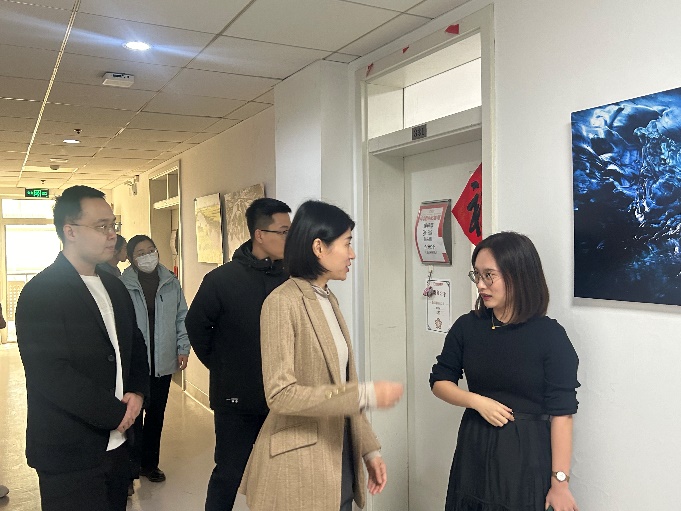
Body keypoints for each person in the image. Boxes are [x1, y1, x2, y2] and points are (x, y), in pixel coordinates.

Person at [240, 200, 404, 511]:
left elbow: (341, 382)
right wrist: (364, 394)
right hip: (297, 465)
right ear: (319, 247)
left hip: (338, 453)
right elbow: (280, 395)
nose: (352, 254)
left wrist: (369, 450)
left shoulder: (328, 299)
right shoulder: (282, 303)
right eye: (347, 243)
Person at [15, 185, 149, 511]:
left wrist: (137, 392)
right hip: (69, 453)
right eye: (101, 226)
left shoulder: (114, 287)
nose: (112, 235)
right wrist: (116, 414)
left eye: (113, 225)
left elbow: (135, 345)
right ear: (70, 231)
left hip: (118, 447)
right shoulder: (41, 293)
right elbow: (51, 374)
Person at [430, 232, 580, 511]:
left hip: (526, 455)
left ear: (518, 275)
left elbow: (563, 414)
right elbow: (440, 381)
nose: (481, 285)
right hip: (474, 448)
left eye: (489, 275)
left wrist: (560, 484)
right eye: (477, 275)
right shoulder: (467, 327)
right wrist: (476, 401)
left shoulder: (550, 336)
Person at [186, 197, 292, 511]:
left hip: (284, 396)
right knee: (230, 473)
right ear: (260, 235)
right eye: (283, 231)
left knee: (283, 473)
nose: (290, 238)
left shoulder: (292, 279)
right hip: (236, 400)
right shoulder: (222, 280)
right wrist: (224, 366)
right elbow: (196, 326)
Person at [121, 235, 190, 487]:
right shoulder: (123, 284)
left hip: (163, 359)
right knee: (132, 416)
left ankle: (150, 464)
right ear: (131, 258)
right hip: (135, 362)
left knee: (156, 415)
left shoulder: (170, 282)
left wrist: (183, 347)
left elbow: (182, 317)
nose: (147, 256)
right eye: (140, 252)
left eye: (151, 250)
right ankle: (130, 467)